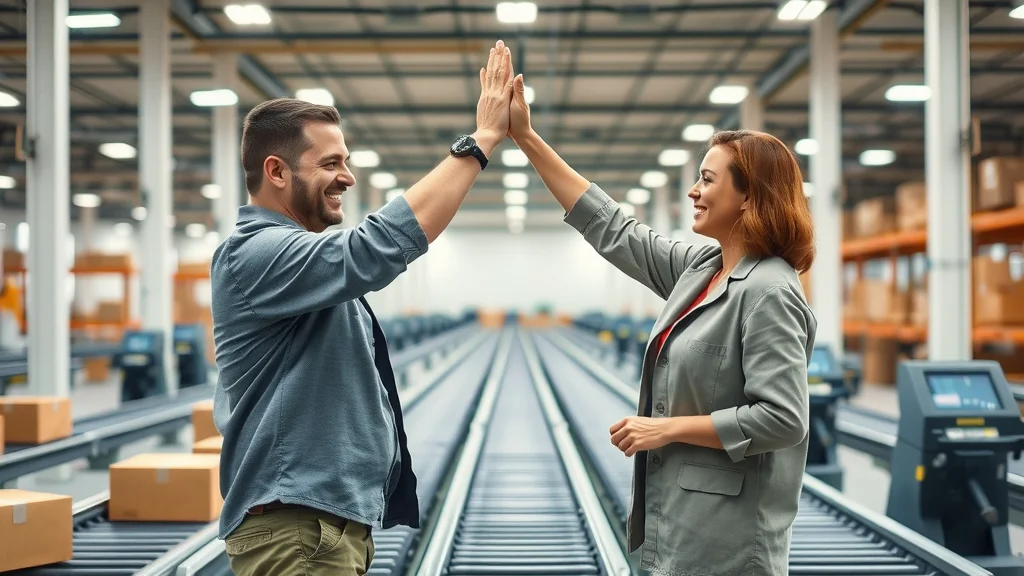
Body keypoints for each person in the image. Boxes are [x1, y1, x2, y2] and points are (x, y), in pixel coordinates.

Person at [209, 39, 516, 575]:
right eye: (331, 163)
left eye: (346, 162)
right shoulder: (254, 253)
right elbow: (373, 248)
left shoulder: (302, 268)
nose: (347, 177)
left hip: (323, 526)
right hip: (298, 529)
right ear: (277, 172)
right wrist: (482, 139)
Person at [506, 74, 817, 576]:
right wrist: (526, 138)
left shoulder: (769, 291)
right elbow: (613, 228)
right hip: (679, 527)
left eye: (708, 179)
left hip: (731, 547)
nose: (693, 190)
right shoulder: (701, 270)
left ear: (748, 196)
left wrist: (666, 429)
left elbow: (783, 418)